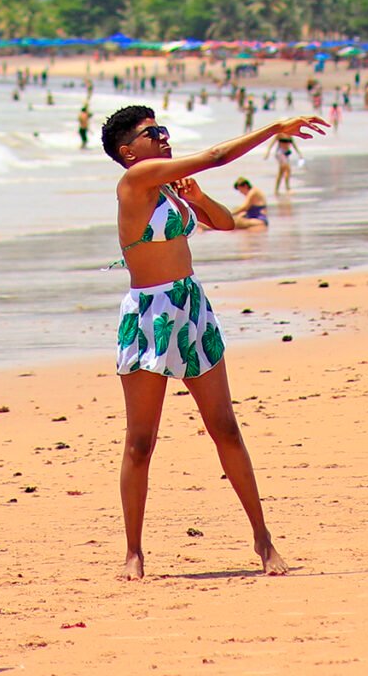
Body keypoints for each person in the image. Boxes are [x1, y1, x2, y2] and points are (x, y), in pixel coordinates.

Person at [101, 104, 326, 578]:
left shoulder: (168, 187)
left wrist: (199, 198)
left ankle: (263, 541)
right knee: (141, 441)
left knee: (225, 426)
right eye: (151, 133)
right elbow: (220, 154)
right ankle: (133, 552)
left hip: (191, 308)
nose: (163, 136)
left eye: (163, 129)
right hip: (150, 314)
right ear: (128, 152)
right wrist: (275, 128)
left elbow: (224, 223)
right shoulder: (134, 184)